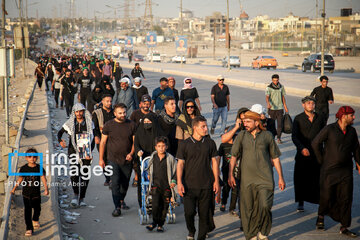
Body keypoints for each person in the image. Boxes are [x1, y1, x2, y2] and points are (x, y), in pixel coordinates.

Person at [229, 110, 286, 240]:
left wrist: (281, 177)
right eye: (244, 122)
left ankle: (264, 232)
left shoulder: (267, 136)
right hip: (247, 180)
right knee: (248, 209)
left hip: (265, 179)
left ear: (257, 122)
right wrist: (230, 175)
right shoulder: (242, 136)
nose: (245, 124)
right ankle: (251, 235)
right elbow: (233, 156)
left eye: (248, 121)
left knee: (265, 205)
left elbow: (275, 158)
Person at [312, 106, 360, 237]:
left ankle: (344, 226)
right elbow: (315, 143)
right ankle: (321, 215)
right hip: (329, 171)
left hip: (345, 171)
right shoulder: (329, 129)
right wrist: (321, 160)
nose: (354, 117)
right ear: (344, 116)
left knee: (346, 198)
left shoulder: (352, 131)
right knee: (326, 196)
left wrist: (359, 163)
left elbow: (356, 149)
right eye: (352, 115)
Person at [177, 116, 220, 240]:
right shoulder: (185, 144)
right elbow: (180, 164)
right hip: (188, 186)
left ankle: (201, 237)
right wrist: (179, 182)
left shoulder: (210, 143)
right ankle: (191, 231)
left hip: (206, 185)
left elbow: (215, 163)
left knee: (204, 215)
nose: (206, 129)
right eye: (203, 126)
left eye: (206, 126)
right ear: (195, 128)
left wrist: (216, 181)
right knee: (189, 213)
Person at [99, 103, 137, 217]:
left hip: (127, 160)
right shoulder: (108, 125)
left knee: (124, 184)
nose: (123, 115)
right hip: (112, 159)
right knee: (115, 183)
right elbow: (103, 142)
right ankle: (117, 207)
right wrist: (101, 159)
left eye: (124, 112)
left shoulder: (132, 125)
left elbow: (135, 142)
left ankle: (121, 200)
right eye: (120, 113)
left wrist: (131, 153)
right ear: (114, 113)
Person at [291, 96, 326, 212]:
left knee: (318, 178)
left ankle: (321, 202)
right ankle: (300, 201)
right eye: (308, 103)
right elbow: (294, 136)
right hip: (303, 153)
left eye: (312, 103)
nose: (311, 105)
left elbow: (325, 134)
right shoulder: (298, 119)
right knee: (301, 178)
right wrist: (301, 148)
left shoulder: (320, 118)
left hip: (317, 153)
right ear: (303, 105)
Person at [58, 103, 95, 207]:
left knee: (85, 176)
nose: (79, 113)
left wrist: (90, 152)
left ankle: (82, 198)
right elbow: (59, 133)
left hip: (86, 153)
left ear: (84, 112)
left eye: (81, 111)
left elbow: (93, 139)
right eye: (77, 111)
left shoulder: (89, 123)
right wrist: (60, 141)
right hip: (73, 152)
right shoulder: (70, 123)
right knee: (74, 175)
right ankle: (75, 195)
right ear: (74, 112)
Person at [11, 148, 49, 237]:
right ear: (26, 158)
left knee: (37, 209)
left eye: (34, 156)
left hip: (36, 194)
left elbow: (43, 178)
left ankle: (35, 219)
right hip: (26, 194)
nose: (32, 158)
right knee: (27, 211)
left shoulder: (39, 168)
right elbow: (20, 179)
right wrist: (14, 188)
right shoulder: (23, 168)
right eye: (30, 156)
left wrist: (46, 189)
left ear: (37, 158)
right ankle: (29, 228)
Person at [146, 136, 177, 233]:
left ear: (166, 147)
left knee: (164, 207)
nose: (161, 148)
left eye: (163, 146)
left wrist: (174, 181)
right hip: (156, 186)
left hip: (167, 187)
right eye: (159, 146)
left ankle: (160, 225)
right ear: (155, 147)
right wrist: (149, 175)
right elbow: (149, 168)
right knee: (155, 205)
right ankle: (154, 222)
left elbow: (176, 171)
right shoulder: (153, 157)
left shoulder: (170, 158)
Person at [135, 115, 163, 205]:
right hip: (144, 161)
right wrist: (138, 151)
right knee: (143, 182)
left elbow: (165, 143)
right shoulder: (139, 132)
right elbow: (136, 145)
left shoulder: (159, 132)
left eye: (149, 122)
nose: (147, 124)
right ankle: (143, 202)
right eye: (145, 122)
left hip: (158, 160)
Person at [92, 94, 115, 186]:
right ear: (102, 102)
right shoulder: (97, 113)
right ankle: (107, 178)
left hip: (114, 140)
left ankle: (114, 178)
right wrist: (96, 136)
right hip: (102, 140)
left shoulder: (115, 112)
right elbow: (94, 127)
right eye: (107, 101)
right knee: (104, 159)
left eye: (110, 101)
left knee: (113, 159)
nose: (109, 103)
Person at [265, 74, 289, 144]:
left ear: (278, 80)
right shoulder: (269, 88)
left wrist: (285, 107)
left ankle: (278, 138)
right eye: (274, 80)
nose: (275, 82)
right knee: (271, 125)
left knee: (280, 124)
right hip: (272, 109)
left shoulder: (281, 87)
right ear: (272, 80)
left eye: (277, 80)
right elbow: (267, 97)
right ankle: (271, 138)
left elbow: (283, 97)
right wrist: (268, 104)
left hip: (280, 108)